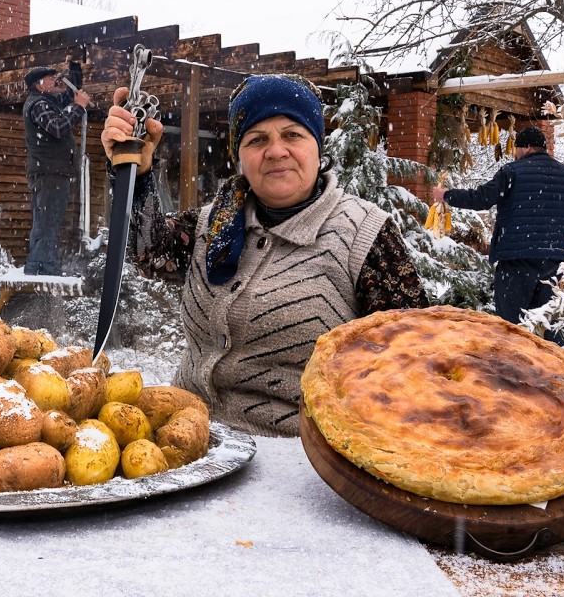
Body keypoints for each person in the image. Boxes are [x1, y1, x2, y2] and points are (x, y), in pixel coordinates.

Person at [102, 74, 430, 437]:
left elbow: (414, 362)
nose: (276, 151)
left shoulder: (364, 235)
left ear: (318, 146)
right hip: (185, 438)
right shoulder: (216, 222)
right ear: (239, 156)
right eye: (257, 139)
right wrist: (134, 171)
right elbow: (151, 252)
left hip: (296, 463)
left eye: (292, 134)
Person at [431, 125, 564, 345]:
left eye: (517, 148)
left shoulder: (512, 172)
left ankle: (512, 373)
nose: (515, 153)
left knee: (510, 329)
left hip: (516, 261)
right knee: (552, 326)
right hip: (556, 263)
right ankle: (557, 373)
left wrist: (448, 195)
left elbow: (481, 198)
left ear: (527, 148)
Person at [22, 62, 90, 275]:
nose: (55, 80)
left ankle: (39, 264)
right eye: (51, 78)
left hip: (51, 170)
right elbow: (59, 127)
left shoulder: (46, 102)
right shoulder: (38, 105)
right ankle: (43, 266)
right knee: (47, 219)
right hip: (49, 171)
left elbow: (68, 96)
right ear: (40, 86)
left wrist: (75, 72)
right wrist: (79, 107)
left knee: (46, 218)